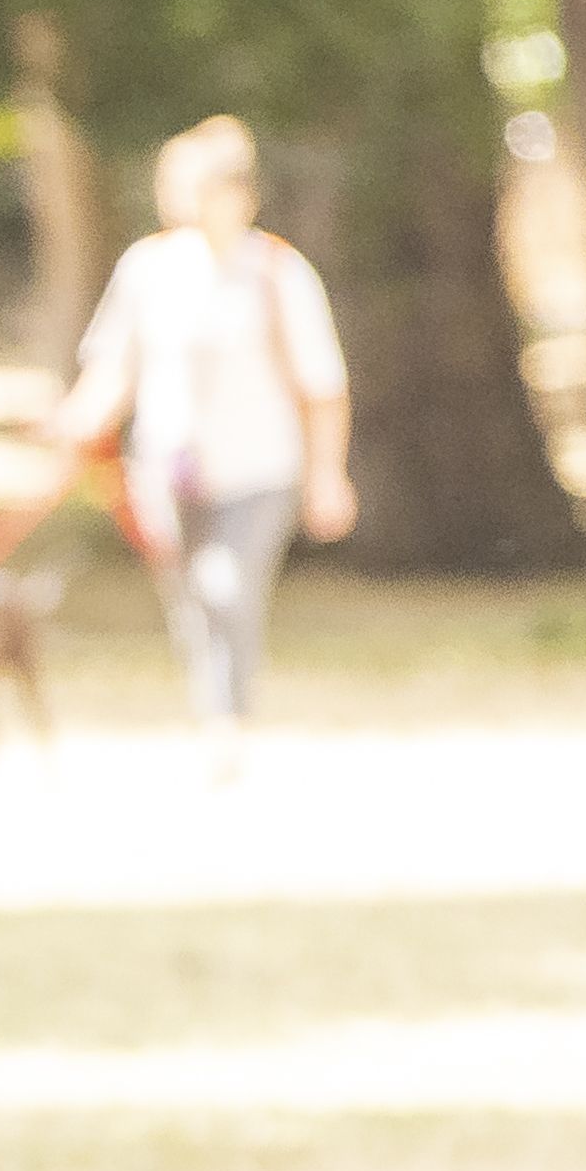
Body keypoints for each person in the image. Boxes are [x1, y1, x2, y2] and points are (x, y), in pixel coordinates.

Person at [50, 116, 352, 752]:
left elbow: (324, 387)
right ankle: (217, 719)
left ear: (239, 194)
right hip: (168, 469)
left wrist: (328, 476)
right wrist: (74, 423)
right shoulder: (149, 267)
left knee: (226, 585)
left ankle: (229, 725)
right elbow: (114, 367)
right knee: (191, 599)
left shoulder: (279, 271)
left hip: (261, 468)